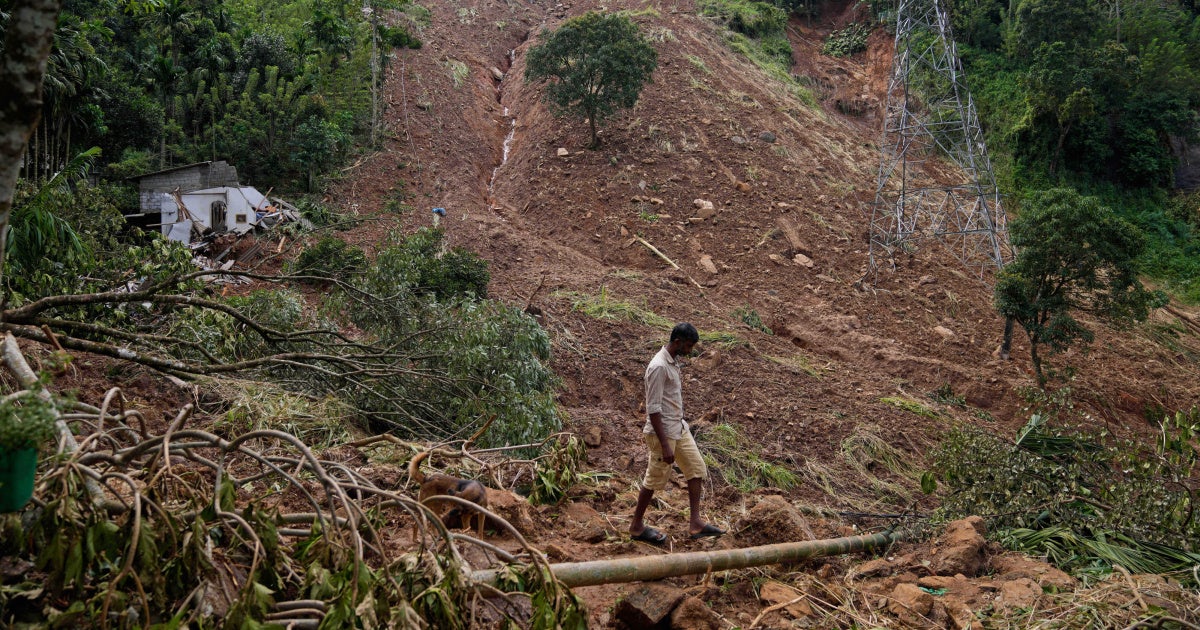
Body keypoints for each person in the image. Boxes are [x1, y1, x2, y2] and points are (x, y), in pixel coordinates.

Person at [629, 322, 725, 545]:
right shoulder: (659, 366)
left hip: (678, 428)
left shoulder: (673, 362)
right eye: (689, 346)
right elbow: (653, 409)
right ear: (678, 342)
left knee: (696, 468)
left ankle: (695, 523)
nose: (690, 351)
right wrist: (664, 444)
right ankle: (636, 526)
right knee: (654, 478)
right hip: (662, 433)